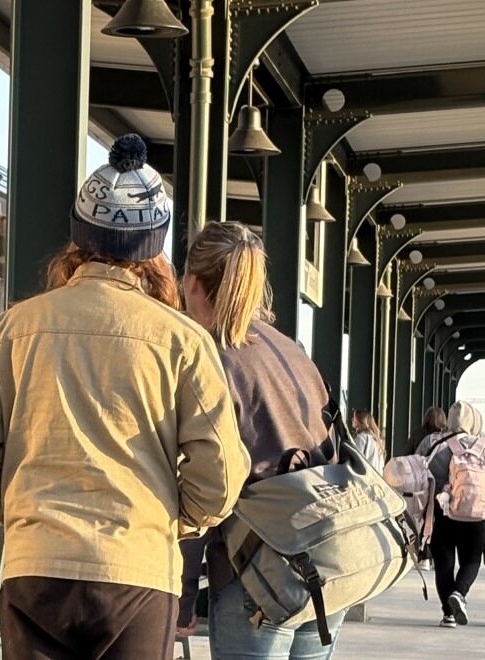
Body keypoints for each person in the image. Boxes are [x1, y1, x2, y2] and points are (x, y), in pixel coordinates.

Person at [0, 134, 251, 660]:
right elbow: (219, 475)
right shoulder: (183, 340)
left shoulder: (15, 329)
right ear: (155, 247)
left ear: (78, 238)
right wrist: (173, 518)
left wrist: (20, 512)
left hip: (34, 568)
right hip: (138, 572)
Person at [180, 220, 347, 659]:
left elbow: (205, 482)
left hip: (258, 572)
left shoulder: (213, 360)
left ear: (194, 283)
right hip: (326, 561)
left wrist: (181, 593)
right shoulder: (292, 350)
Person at [417, 400, 485, 628]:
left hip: (441, 513)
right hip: (476, 515)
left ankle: (448, 614)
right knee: (471, 560)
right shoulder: (484, 446)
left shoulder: (431, 442)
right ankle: (459, 593)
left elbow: (417, 470)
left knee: (444, 565)